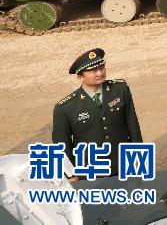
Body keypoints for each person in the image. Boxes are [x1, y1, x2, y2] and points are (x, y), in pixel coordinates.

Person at [52, 48, 142, 177]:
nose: (99, 73)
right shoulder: (65, 108)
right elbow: (62, 145)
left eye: (101, 68)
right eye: (93, 71)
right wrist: (71, 174)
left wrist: (138, 155)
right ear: (79, 76)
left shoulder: (120, 89)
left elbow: (132, 125)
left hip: (124, 164)